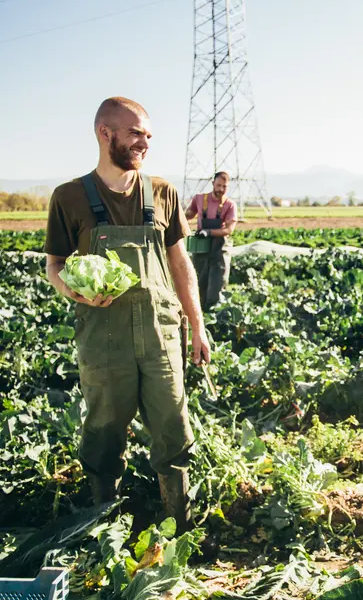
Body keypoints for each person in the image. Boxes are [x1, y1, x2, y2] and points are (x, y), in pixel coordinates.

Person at [44, 96, 210, 531]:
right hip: (104, 337)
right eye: (136, 133)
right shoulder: (69, 197)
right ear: (106, 133)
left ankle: (181, 525)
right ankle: (105, 523)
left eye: (149, 135)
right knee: (103, 434)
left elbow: (180, 264)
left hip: (160, 334)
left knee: (173, 430)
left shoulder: (163, 192)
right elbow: (55, 265)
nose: (144, 143)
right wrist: (75, 292)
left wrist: (198, 325)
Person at [185, 172, 237, 311]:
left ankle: (213, 313)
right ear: (213, 183)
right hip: (201, 244)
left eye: (224, 187)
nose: (220, 189)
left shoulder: (230, 205)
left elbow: (229, 230)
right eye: (218, 185)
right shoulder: (200, 199)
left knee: (217, 281)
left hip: (219, 246)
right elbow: (188, 215)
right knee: (198, 278)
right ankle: (197, 310)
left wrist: (209, 232)